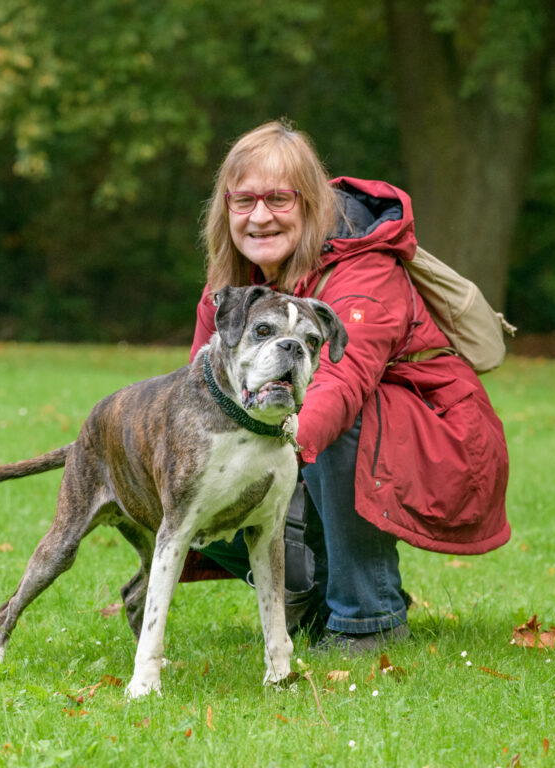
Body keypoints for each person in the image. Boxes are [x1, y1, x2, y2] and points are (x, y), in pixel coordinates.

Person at [180, 120, 510, 655]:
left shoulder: (366, 269)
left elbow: (340, 383)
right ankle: (314, 597)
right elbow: (199, 389)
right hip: (326, 436)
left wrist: (279, 446)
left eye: (278, 199)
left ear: (310, 204)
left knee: (339, 417)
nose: (259, 217)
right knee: (195, 460)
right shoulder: (229, 285)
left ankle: (368, 617)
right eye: (242, 201)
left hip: (434, 436)